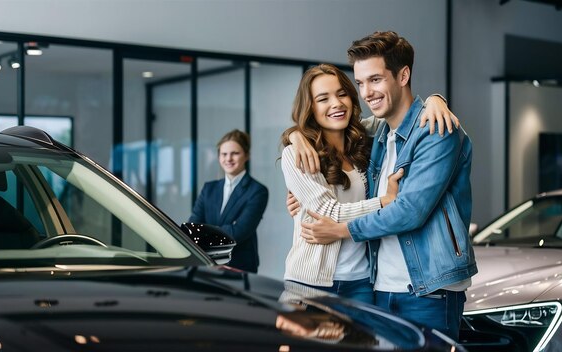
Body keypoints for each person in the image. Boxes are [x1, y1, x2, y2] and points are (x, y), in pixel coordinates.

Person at [294, 31, 477, 341]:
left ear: (403, 75)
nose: (366, 93)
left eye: (375, 79)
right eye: (361, 82)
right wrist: (295, 136)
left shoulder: (435, 130)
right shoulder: (378, 133)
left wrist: (342, 230)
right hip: (380, 288)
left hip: (428, 292)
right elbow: (327, 124)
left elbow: (410, 212)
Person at [281, 64, 454, 304]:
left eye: (342, 94)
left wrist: (436, 100)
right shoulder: (296, 154)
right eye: (323, 98)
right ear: (310, 107)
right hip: (310, 283)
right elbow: (328, 212)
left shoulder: (363, 141)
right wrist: (385, 202)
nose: (336, 104)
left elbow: (402, 115)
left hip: (361, 282)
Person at [189, 129, 268, 273]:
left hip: (239, 267)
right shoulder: (209, 189)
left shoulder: (257, 191)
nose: (228, 159)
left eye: (235, 153)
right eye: (224, 154)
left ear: (247, 155)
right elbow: (192, 227)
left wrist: (204, 231)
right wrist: (228, 228)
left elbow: (239, 232)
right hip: (207, 264)